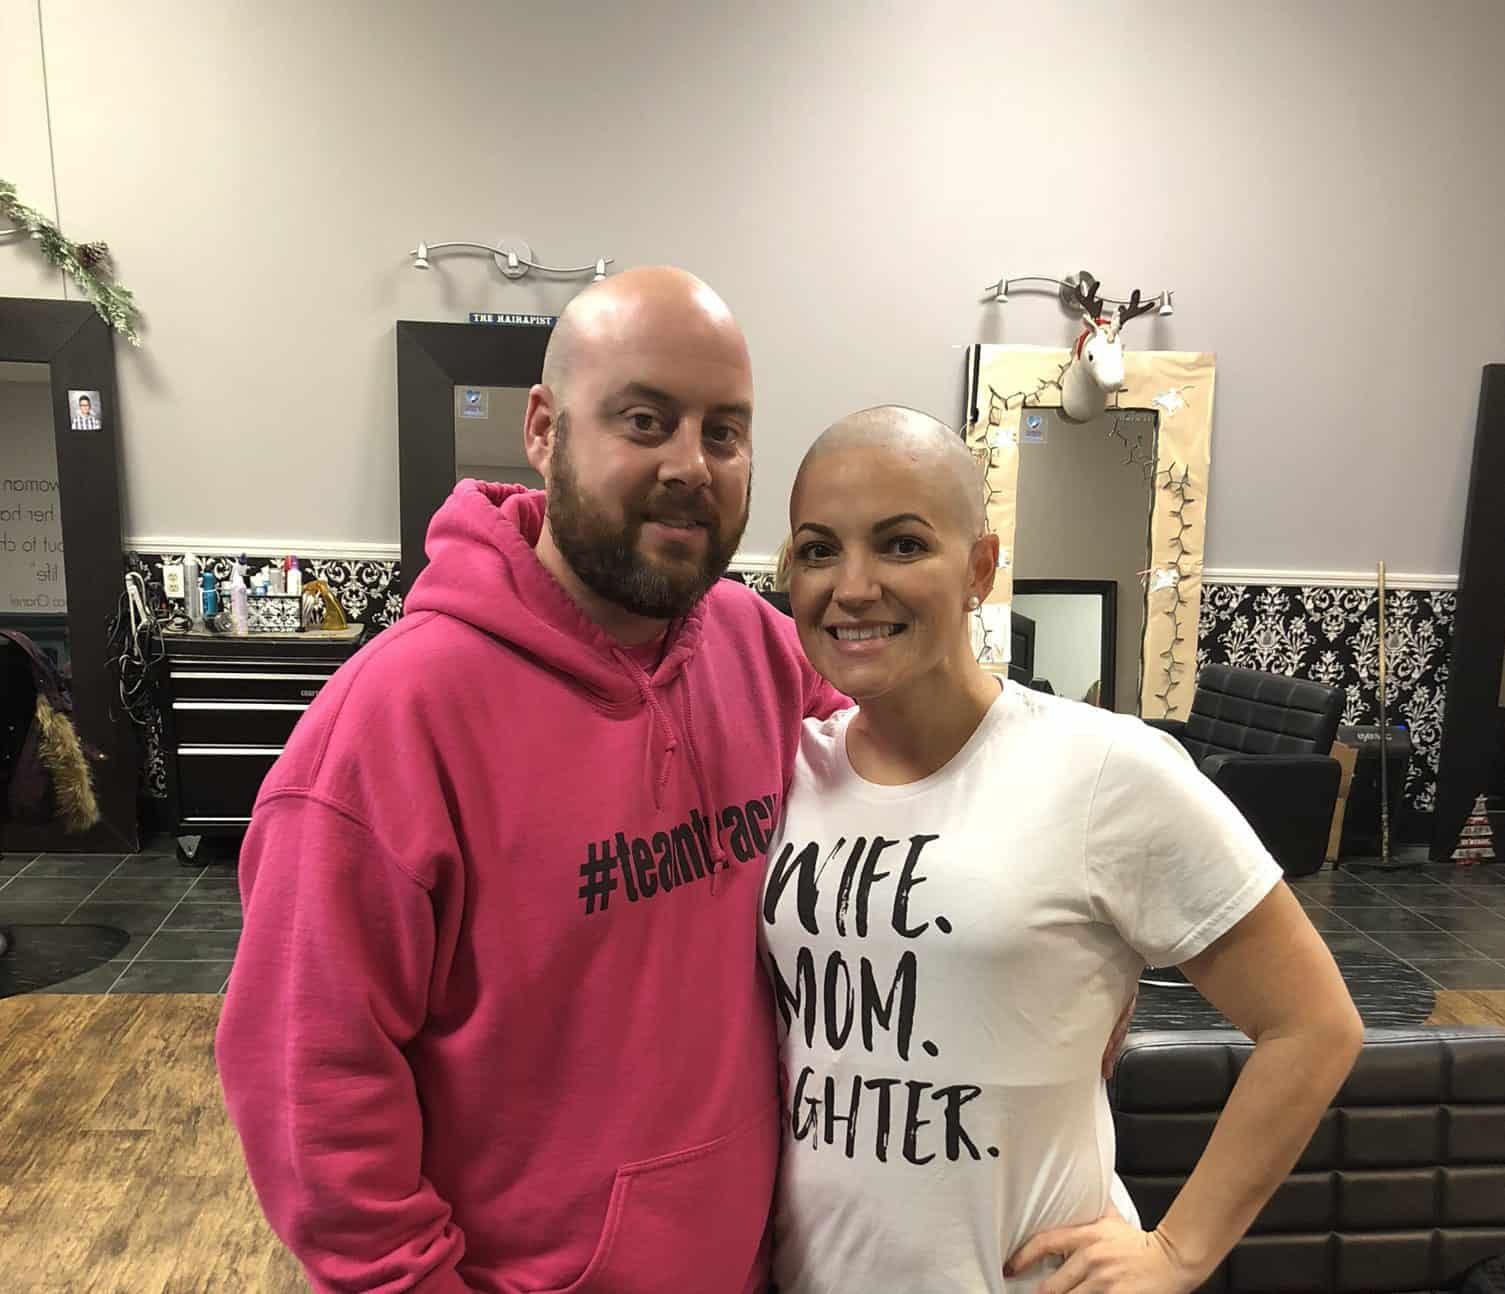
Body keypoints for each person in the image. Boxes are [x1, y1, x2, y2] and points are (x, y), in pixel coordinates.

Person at [216, 267, 846, 1294]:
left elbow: (920, 791)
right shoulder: (392, 723)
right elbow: (311, 1094)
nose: (691, 465)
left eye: (723, 432)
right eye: (645, 420)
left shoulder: (759, 649)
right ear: (544, 430)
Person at [761, 406, 1364, 1293]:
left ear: (978, 568)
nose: (852, 586)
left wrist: (1179, 1251)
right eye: (818, 549)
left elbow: (1313, 1026)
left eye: (900, 545)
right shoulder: (787, 771)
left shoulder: (1100, 769)